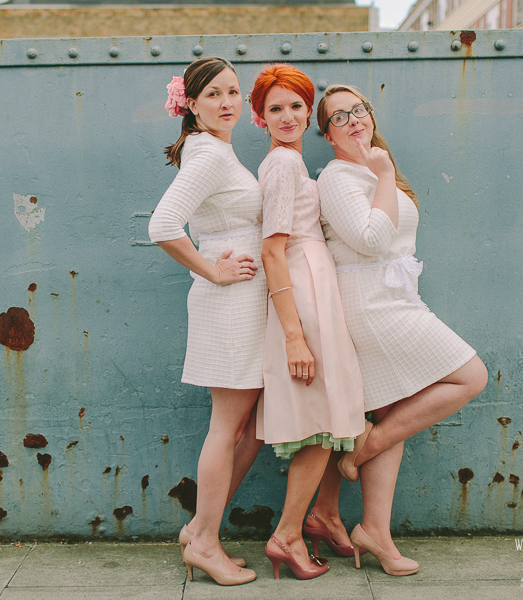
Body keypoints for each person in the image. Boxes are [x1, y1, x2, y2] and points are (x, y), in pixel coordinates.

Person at [316, 84, 488, 576]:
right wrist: (386, 172)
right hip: (370, 303)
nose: (354, 120)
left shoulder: (368, 169)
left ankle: (375, 532)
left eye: (360, 110)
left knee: (395, 413)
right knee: (470, 376)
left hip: (393, 296)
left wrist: (383, 172)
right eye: (339, 117)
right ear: (327, 134)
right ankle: (364, 447)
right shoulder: (338, 177)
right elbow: (370, 241)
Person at [148, 56, 266, 586]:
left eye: (233, 93)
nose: (226, 103)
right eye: (213, 94)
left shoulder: (215, 151)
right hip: (230, 301)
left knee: (250, 427)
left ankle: (200, 529)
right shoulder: (210, 157)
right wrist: (212, 272)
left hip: (242, 300)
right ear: (190, 104)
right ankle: (206, 542)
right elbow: (163, 225)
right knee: (228, 427)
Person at [250, 64, 366, 581]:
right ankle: (288, 534)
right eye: (276, 108)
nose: (289, 116)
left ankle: (316, 519)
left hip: (316, 288)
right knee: (319, 425)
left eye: (296, 105)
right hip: (303, 294)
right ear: (261, 118)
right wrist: (295, 336)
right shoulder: (281, 166)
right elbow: (273, 251)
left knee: (328, 420)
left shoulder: (292, 165)